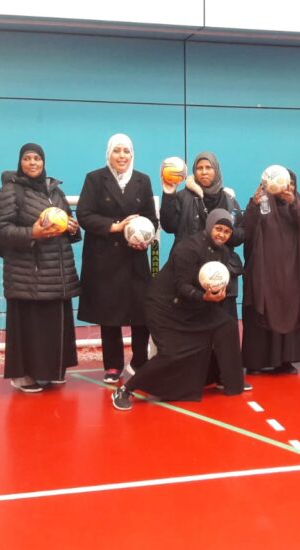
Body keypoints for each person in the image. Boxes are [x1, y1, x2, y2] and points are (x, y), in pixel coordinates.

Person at [111, 209, 245, 410]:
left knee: (227, 325)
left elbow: (219, 281)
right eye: (218, 229)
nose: (222, 235)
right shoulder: (188, 248)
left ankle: (228, 379)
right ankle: (125, 390)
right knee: (171, 353)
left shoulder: (224, 252)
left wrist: (217, 293)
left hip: (195, 305)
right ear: (209, 227)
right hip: (165, 306)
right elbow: (182, 287)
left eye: (227, 232)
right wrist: (204, 297)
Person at [0, 143, 81, 393]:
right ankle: (24, 375)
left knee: (53, 325)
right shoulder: (10, 190)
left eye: (37, 159)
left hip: (57, 271)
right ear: (20, 162)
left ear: (43, 162)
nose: (33, 163)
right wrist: (33, 232)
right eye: (27, 159)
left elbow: (68, 221)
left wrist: (73, 228)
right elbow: (2, 229)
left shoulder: (55, 191)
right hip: (27, 273)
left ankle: (52, 371)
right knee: (29, 326)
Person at [77, 134, 158, 385]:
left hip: (135, 256)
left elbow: (151, 219)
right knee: (109, 313)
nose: (122, 156)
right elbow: (84, 215)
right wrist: (115, 227)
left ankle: (139, 361)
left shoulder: (143, 180)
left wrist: (145, 235)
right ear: (109, 154)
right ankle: (112, 365)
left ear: (132, 154)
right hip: (104, 257)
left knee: (140, 312)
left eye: (126, 151)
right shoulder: (94, 179)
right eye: (117, 151)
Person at [242, 169, 300, 375]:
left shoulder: (297, 203)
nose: (285, 186)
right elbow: (247, 231)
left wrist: (293, 203)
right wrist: (254, 206)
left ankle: (285, 360)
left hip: (291, 274)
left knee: (290, 309)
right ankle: (257, 360)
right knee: (260, 308)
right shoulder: (263, 202)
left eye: (290, 182)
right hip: (264, 272)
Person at [159, 151, 245, 316]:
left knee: (223, 332)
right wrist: (169, 194)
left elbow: (241, 235)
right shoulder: (182, 197)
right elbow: (169, 226)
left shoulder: (229, 200)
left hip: (220, 275)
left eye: (208, 167)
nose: (204, 172)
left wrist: (223, 234)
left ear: (216, 170)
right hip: (189, 276)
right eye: (199, 168)